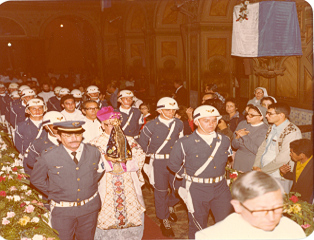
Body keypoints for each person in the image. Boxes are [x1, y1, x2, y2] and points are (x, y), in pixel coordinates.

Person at [30, 120, 104, 240]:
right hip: (62, 210)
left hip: (89, 208)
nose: (74, 138)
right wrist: (55, 192)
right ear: (58, 137)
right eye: (68, 136)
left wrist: (87, 187)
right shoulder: (48, 156)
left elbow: (99, 172)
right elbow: (36, 179)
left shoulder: (94, 152)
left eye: (77, 134)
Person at [168, 105, 233, 239]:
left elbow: (227, 161)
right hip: (197, 189)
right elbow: (173, 164)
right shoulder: (184, 142)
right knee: (198, 226)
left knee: (226, 224)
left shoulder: (224, 140)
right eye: (206, 120)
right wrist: (185, 176)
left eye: (214, 120)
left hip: (220, 188)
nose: (211, 124)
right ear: (196, 122)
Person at [195, 171, 306, 239]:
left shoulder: (292, 230)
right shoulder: (212, 237)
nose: (272, 218)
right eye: (261, 210)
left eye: (277, 208)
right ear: (238, 206)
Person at [90, 106, 146, 240]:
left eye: (117, 124)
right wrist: (107, 164)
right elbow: (91, 164)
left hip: (127, 182)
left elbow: (140, 156)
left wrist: (125, 164)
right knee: (104, 214)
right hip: (106, 183)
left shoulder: (130, 140)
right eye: (109, 125)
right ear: (102, 125)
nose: (114, 128)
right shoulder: (95, 143)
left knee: (132, 212)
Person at [139, 97, 184, 237]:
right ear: (159, 110)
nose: (171, 112)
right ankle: (164, 219)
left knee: (180, 187)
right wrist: (145, 165)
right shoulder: (150, 126)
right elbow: (142, 147)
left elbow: (182, 142)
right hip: (158, 162)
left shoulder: (179, 123)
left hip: (175, 161)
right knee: (161, 191)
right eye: (167, 110)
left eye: (173, 110)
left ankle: (168, 205)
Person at [252, 103, 302, 193]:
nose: (266, 115)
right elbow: (263, 147)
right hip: (264, 171)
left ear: (281, 115)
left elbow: (283, 158)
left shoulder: (292, 132)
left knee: (278, 202)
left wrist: (262, 171)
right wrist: (256, 165)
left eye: (270, 113)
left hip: (278, 175)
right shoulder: (272, 127)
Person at [24, 111, 66, 176]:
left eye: (62, 124)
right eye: (55, 125)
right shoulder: (38, 144)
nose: (59, 128)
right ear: (46, 127)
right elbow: (31, 162)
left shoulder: (72, 140)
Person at [232, 105, 268, 172]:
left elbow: (257, 151)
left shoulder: (264, 130)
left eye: (251, 115)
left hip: (251, 160)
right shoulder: (242, 124)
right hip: (239, 158)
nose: (247, 116)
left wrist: (244, 136)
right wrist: (237, 137)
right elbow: (234, 146)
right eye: (247, 114)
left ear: (261, 117)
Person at [279, 139, 313, 203]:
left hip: (307, 204)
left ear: (302, 155)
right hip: (294, 199)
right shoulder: (298, 162)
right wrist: (284, 173)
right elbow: (298, 177)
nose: (290, 154)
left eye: (292, 152)